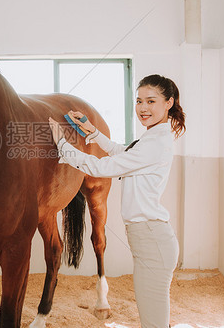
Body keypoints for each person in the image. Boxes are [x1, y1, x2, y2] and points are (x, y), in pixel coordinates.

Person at [48, 74, 186, 328]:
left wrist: (63, 145)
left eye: (151, 101)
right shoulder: (154, 137)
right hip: (151, 240)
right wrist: (93, 131)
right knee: (155, 319)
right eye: (139, 101)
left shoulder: (156, 142)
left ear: (169, 102)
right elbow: (124, 152)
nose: (143, 108)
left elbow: (103, 166)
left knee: (154, 323)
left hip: (152, 241)